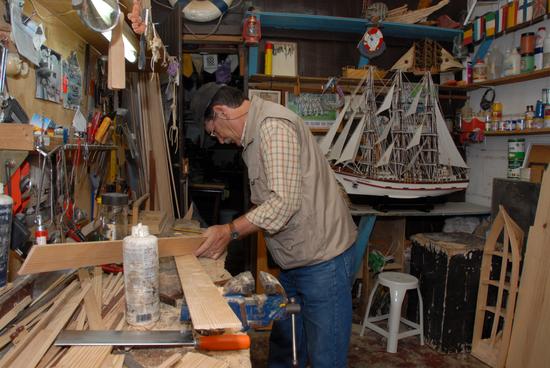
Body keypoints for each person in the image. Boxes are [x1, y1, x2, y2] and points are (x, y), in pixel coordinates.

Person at [190, 82, 357, 368]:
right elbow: (269, 201)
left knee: (324, 357)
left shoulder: (272, 128)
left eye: (213, 131)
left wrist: (229, 231)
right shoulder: (254, 137)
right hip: (294, 259)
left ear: (220, 112)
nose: (218, 139)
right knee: (286, 348)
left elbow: (283, 203)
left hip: (322, 260)